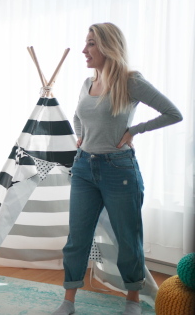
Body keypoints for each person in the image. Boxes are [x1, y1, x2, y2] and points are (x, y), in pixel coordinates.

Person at [52, 23, 182, 315]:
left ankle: (132, 299)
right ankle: (68, 301)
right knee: (77, 238)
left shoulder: (129, 81)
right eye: (86, 44)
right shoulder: (87, 83)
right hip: (84, 168)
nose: (84, 50)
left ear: (108, 47)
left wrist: (135, 130)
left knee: (127, 237)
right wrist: (80, 136)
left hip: (119, 170)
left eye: (91, 44)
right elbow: (76, 116)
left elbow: (174, 113)